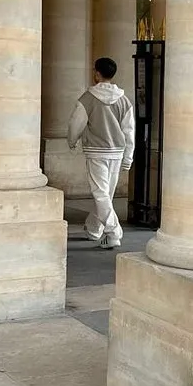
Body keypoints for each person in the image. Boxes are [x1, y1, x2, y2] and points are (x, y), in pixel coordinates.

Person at [67, 57, 135, 249]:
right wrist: (128, 157)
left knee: (100, 194)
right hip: (117, 152)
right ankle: (94, 229)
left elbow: (75, 124)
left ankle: (113, 232)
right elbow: (129, 131)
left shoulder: (87, 99)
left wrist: (72, 141)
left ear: (97, 73)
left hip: (96, 151)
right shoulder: (124, 101)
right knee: (106, 195)